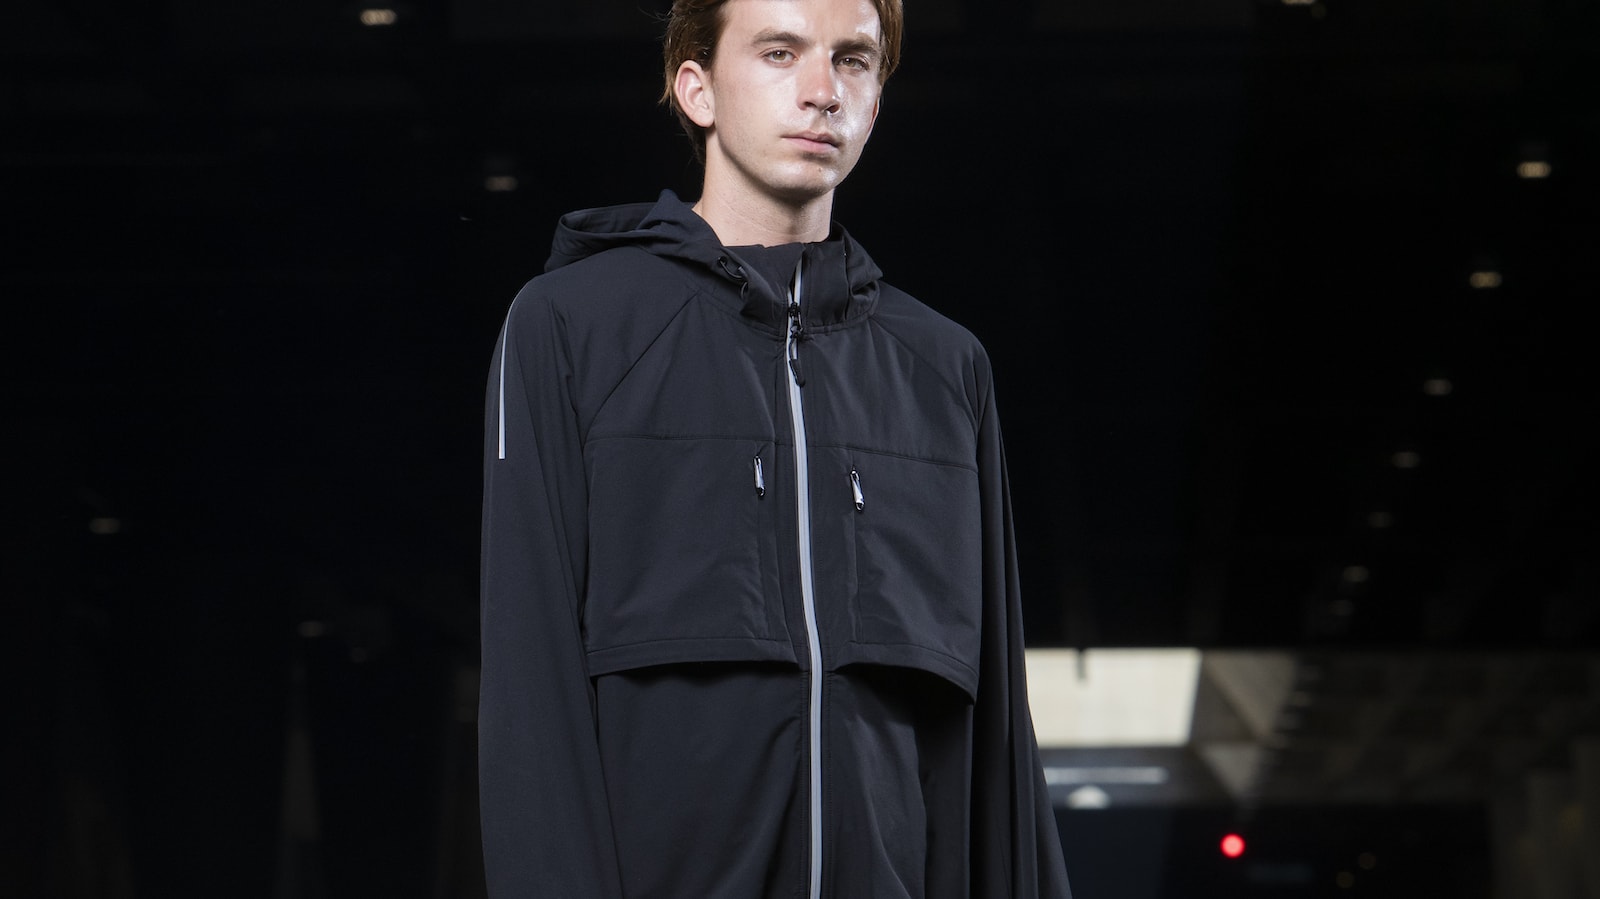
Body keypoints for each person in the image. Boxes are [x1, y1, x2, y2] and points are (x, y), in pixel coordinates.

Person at [478, 0, 1073, 896]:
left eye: (853, 60)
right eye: (780, 51)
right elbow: (533, 690)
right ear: (697, 89)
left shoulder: (945, 370)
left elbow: (991, 735)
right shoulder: (572, 329)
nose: (822, 91)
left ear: (877, 100)